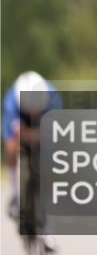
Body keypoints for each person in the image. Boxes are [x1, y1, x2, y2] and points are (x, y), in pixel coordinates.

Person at [2, 71, 62, 252]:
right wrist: (23, 136)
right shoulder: (12, 101)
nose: (34, 115)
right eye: (32, 112)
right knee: (12, 150)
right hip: (20, 123)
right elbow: (13, 137)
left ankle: (48, 231)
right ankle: (15, 195)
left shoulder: (53, 98)